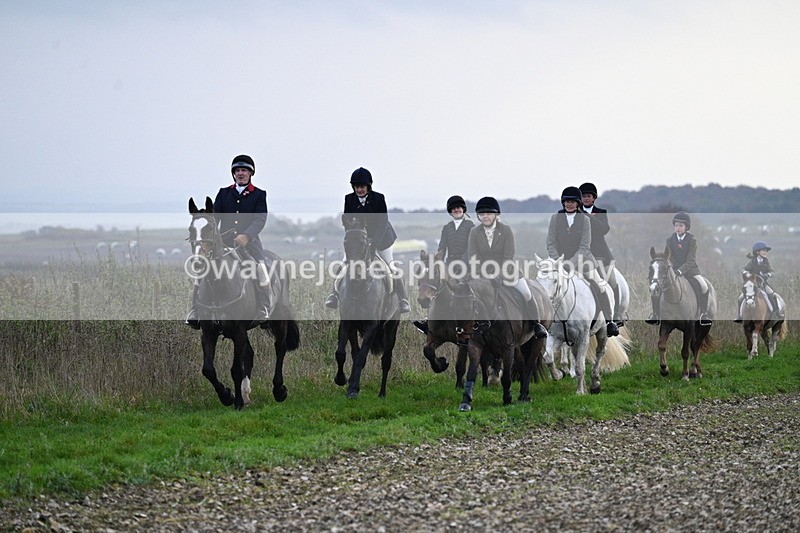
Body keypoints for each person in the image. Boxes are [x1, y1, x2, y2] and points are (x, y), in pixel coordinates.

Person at [186, 154, 270, 329]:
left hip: (250, 243)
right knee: (201, 271)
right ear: (233, 174)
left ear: (250, 173)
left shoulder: (259, 195)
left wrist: (246, 236)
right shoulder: (224, 193)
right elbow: (215, 218)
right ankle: (194, 310)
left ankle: (263, 307)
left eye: (244, 170)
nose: (240, 173)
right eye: (238, 170)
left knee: (261, 270)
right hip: (223, 242)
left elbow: (260, 219)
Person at [324, 167, 410, 313]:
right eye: (357, 187)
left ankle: (403, 300)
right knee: (344, 265)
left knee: (390, 267)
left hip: (382, 240)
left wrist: (373, 244)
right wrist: (354, 242)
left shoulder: (378, 198)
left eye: (362, 187)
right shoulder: (349, 199)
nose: (359, 190)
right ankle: (334, 295)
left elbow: (383, 223)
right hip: (358, 242)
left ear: (368, 186)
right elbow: (348, 224)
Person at [467, 196, 547, 339]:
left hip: (507, 272)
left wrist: (498, 274)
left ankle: (536, 325)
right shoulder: (474, 232)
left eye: (489, 214)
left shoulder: (506, 230)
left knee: (527, 293)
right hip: (482, 275)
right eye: (482, 214)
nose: (485, 217)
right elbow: (473, 256)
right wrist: (485, 274)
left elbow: (508, 256)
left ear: (496, 215)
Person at [546, 186, 620, 337]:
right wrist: (558, 260)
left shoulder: (585, 220)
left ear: (578, 203)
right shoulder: (555, 218)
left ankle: (609, 321)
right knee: (545, 283)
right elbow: (550, 243)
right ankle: (543, 322)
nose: (569, 204)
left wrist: (571, 263)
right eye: (567, 201)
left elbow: (585, 246)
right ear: (563, 202)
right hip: (559, 262)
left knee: (600, 285)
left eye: (572, 202)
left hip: (583, 261)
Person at [413, 195, 474, 333]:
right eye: (453, 208)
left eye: (458, 207)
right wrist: (437, 259)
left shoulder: (470, 226)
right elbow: (442, 247)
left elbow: (471, 247)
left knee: (468, 288)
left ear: (463, 209)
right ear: (450, 211)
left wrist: (462, 262)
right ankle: (429, 320)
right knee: (436, 284)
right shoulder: (447, 228)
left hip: (468, 264)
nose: (456, 210)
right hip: (450, 263)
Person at [646, 211, 712, 326]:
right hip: (673, 270)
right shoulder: (670, 240)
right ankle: (655, 314)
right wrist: (672, 268)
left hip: (690, 270)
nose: (678, 228)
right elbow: (669, 257)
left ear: (686, 227)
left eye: (681, 226)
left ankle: (703, 313)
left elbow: (691, 260)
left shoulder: (692, 240)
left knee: (704, 286)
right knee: (656, 287)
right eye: (676, 225)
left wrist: (681, 270)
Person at [579, 182, 622, 325]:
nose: (586, 198)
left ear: (594, 198)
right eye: (583, 196)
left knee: (612, 282)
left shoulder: (601, 212)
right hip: (582, 256)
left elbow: (603, 229)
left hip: (601, 255)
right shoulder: (575, 213)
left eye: (588, 196)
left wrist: (588, 216)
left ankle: (615, 315)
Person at [734, 241, 783, 322]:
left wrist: (768, 275)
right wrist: (747, 273)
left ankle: (777, 313)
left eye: (766, 250)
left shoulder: (766, 261)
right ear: (757, 252)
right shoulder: (752, 261)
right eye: (763, 250)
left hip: (763, 284)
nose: (765, 252)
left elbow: (772, 272)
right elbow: (743, 269)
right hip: (752, 285)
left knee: (772, 295)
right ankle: (739, 316)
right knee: (740, 298)